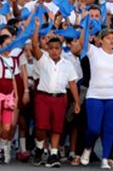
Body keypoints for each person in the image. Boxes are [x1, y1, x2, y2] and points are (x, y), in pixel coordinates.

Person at [31, 17, 81, 168]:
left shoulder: (67, 64)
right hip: (43, 97)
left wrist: (77, 102)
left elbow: (72, 83)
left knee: (56, 127)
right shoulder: (43, 59)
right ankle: (40, 148)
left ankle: (53, 154)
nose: (54, 51)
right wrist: (37, 28)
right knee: (41, 126)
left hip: (59, 98)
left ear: (61, 49)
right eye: (51, 48)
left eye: (57, 48)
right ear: (47, 48)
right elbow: (34, 45)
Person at [79, 27, 113, 169]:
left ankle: (105, 158)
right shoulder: (94, 52)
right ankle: (88, 148)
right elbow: (82, 40)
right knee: (93, 128)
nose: (111, 41)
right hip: (95, 95)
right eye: (108, 38)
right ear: (100, 40)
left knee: (109, 129)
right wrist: (85, 21)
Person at [0, 34, 19, 166]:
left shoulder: (13, 61)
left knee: (7, 127)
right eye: (6, 44)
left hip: (9, 94)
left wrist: (16, 96)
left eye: (10, 44)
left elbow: (13, 79)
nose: (8, 47)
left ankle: (2, 146)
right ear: (0, 46)